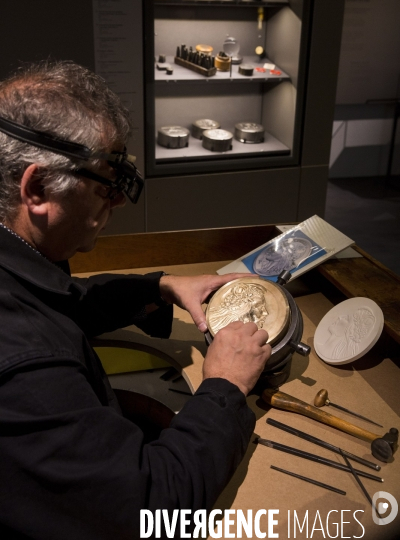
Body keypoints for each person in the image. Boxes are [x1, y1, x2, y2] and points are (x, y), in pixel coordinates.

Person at [0, 61, 271, 539]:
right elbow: (153, 509)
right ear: (38, 188)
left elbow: (59, 302)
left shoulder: (15, 262)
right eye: (106, 181)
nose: (118, 200)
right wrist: (226, 387)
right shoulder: (25, 359)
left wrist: (158, 287)